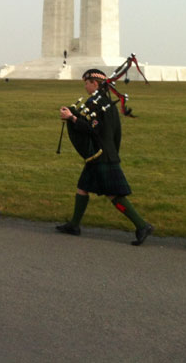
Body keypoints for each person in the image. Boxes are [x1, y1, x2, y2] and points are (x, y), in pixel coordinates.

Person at [56, 68, 154, 245]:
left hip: (101, 155)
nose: (85, 86)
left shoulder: (95, 103)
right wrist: (75, 115)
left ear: (95, 83)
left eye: (87, 83)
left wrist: (71, 118)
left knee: (113, 194)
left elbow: (91, 128)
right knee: (82, 187)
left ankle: (141, 225)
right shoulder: (106, 102)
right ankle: (74, 224)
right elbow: (112, 130)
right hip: (105, 152)